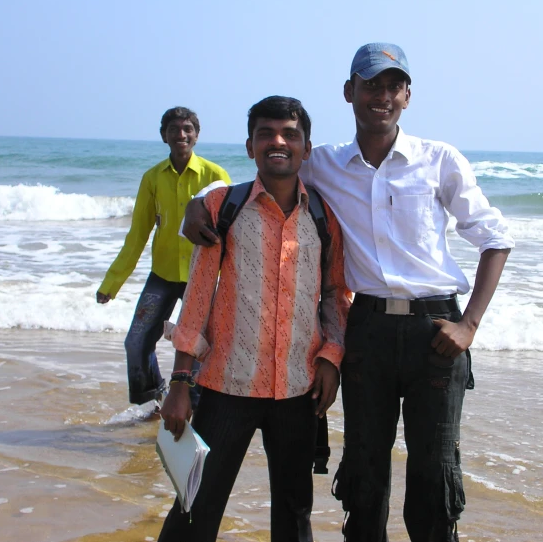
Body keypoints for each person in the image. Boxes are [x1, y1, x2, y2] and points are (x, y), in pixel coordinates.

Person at [183, 43, 514, 542]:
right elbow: (271, 174)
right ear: (349, 92)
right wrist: (196, 204)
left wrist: (469, 324)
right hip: (368, 333)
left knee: (433, 474)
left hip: (436, 334)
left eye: (391, 85)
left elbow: (496, 238)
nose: (381, 95)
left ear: (406, 95)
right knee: (363, 474)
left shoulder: (439, 160)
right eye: (370, 84)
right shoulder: (325, 165)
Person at [157, 96, 350, 542]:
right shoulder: (223, 207)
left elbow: (336, 294)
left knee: (294, 516)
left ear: (306, 147)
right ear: (249, 146)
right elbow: (199, 299)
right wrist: (180, 383)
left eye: (289, 135)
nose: (277, 142)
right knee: (193, 510)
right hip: (226, 387)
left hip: (297, 390)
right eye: (266, 134)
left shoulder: (324, 217)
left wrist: (330, 357)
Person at [97, 107, 230, 407]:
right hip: (163, 275)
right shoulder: (152, 178)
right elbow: (137, 234)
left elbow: (228, 231)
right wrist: (111, 283)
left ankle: (194, 406)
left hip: (203, 278)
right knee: (136, 341)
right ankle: (152, 401)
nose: (180, 134)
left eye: (187, 129)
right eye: (174, 129)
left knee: (201, 348)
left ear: (196, 135)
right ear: (163, 136)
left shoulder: (215, 175)